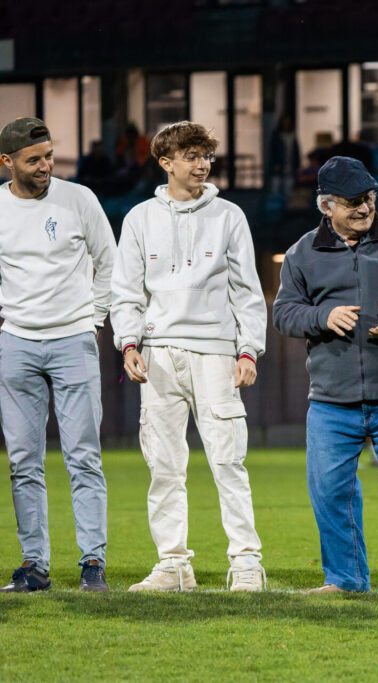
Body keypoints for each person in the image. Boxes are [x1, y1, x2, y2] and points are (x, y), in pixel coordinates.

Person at [110, 121, 268, 592]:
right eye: (192, 156)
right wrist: (129, 342)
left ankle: (246, 563)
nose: (202, 165)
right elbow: (126, 292)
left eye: (207, 157)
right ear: (166, 162)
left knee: (228, 462)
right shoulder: (139, 218)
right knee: (163, 467)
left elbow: (247, 291)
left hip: (215, 354)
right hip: (158, 354)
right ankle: (173, 565)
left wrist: (248, 350)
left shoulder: (229, 216)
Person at [273, 156, 378, 595]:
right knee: (330, 493)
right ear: (325, 206)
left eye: (368, 198)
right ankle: (346, 579)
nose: (365, 208)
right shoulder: (302, 253)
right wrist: (323, 316)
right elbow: (284, 313)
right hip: (331, 398)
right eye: (352, 202)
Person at [0, 117, 116, 593]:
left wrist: (94, 321)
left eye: (48, 155)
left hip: (73, 340)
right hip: (16, 343)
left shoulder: (80, 199)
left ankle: (93, 563)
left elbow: (109, 263)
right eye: (34, 160)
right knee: (22, 462)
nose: (45, 165)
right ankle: (35, 566)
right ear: (7, 162)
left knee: (83, 456)